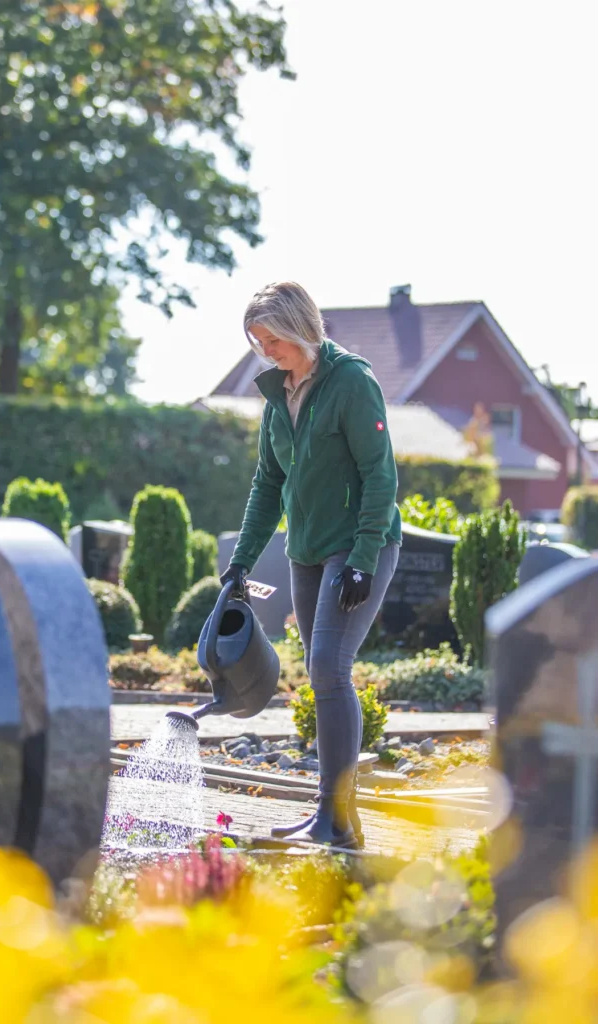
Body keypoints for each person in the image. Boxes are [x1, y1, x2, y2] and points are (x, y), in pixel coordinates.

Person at [220, 281, 402, 849]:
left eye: (272, 339)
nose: (265, 350)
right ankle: (331, 815)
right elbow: (267, 483)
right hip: (305, 551)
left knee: (328, 666)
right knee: (321, 673)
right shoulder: (278, 395)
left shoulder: (351, 382)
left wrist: (364, 559)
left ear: (299, 328)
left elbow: (380, 475)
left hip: (358, 546)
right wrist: (241, 562)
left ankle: (338, 820)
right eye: (258, 341)